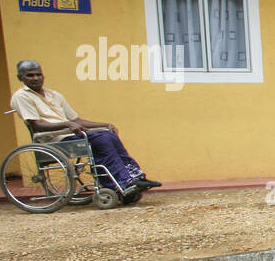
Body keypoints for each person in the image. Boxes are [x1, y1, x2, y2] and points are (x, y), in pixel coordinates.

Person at [9, 60, 161, 193]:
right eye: (30, 75)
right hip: (52, 139)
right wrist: (66, 124)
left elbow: (77, 120)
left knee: (109, 134)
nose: (35, 78)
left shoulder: (54, 95)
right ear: (20, 78)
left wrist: (105, 124)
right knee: (101, 140)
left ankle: (135, 177)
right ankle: (117, 182)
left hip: (70, 133)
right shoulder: (22, 96)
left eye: (38, 74)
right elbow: (36, 126)